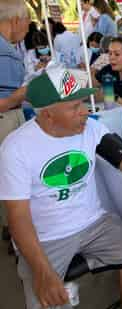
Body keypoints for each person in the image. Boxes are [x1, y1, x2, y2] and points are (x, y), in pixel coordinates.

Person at [0, 65, 122, 309]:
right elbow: (18, 217)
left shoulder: (91, 128)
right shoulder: (16, 148)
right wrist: (42, 271)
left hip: (93, 223)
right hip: (45, 237)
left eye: (83, 102)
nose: (85, 111)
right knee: (47, 297)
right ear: (47, 115)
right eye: (74, 107)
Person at [0, 0, 30, 254]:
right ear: (15, 21)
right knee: (13, 176)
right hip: (6, 120)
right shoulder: (5, 53)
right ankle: (16, 233)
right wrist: (22, 94)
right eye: (28, 21)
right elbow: (6, 99)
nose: (29, 27)